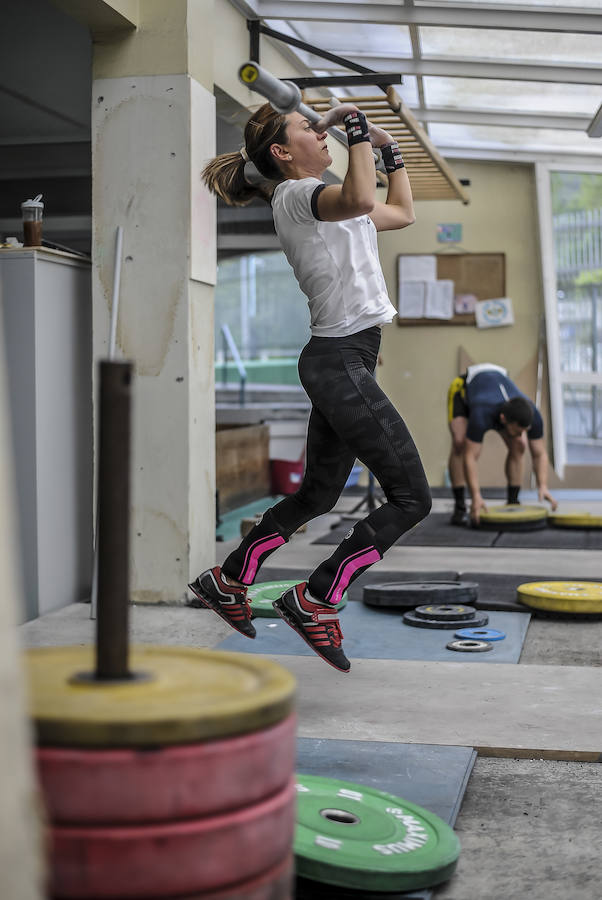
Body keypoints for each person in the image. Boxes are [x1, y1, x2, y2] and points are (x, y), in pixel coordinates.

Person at [188, 101, 431, 673]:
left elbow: (399, 212)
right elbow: (358, 198)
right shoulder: (297, 196)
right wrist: (353, 130)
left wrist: (388, 147)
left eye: (322, 129)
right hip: (339, 359)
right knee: (413, 497)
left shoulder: (332, 201)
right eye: (309, 129)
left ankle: (229, 579)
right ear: (281, 153)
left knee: (317, 496)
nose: (320, 137)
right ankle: (317, 597)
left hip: (344, 361)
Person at [447, 362, 557, 526]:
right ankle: (460, 507)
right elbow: (470, 457)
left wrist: (543, 485)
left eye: (524, 430)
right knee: (460, 443)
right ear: (504, 419)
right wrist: (476, 496)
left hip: (499, 381)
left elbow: (539, 454)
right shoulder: (481, 413)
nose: (522, 434)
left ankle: (513, 502)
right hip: (463, 390)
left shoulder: (533, 413)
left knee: (520, 444)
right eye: (518, 430)